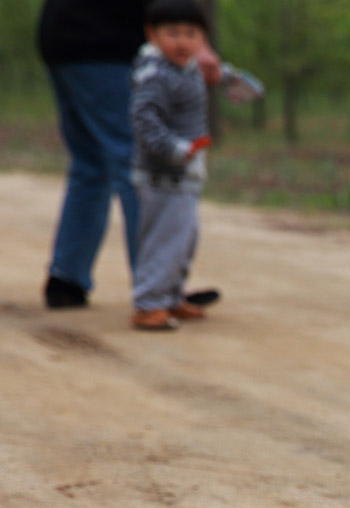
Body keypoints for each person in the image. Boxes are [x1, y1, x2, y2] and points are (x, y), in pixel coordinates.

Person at [37, 0, 221, 310]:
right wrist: (193, 39)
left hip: (62, 36)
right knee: (140, 163)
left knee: (91, 164)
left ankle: (67, 277)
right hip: (107, 41)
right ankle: (157, 287)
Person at [129, 0, 215, 330]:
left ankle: (171, 296)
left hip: (185, 174)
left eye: (191, 34)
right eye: (173, 33)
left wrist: (234, 82)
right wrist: (175, 149)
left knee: (184, 237)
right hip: (162, 174)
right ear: (152, 35)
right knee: (164, 239)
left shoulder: (187, 69)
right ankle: (148, 304)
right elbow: (144, 119)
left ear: (203, 39)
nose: (182, 42)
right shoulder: (156, 75)